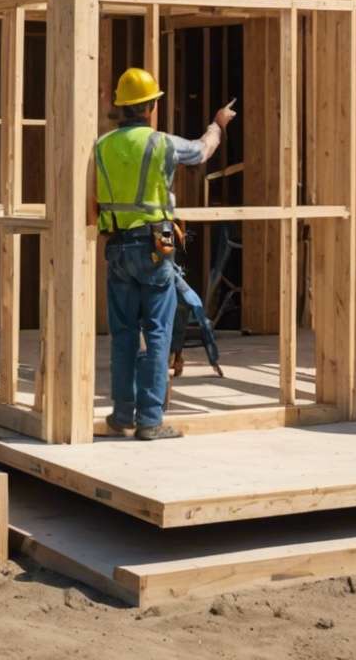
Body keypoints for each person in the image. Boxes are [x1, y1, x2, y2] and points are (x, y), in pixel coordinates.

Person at [89, 67, 236, 441]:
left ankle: (122, 415)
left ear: (121, 107)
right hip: (157, 242)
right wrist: (218, 123)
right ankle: (150, 420)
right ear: (152, 106)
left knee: (123, 334)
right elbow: (203, 150)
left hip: (117, 244)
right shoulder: (161, 143)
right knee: (157, 332)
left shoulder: (102, 146)